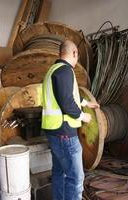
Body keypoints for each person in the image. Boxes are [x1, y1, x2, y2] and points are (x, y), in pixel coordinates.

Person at [41, 40, 100, 200]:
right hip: (64, 133)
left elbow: (68, 93)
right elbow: (67, 102)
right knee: (76, 178)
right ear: (74, 53)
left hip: (54, 132)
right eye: (77, 56)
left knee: (59, 173)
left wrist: (86, 103)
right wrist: (83, 116)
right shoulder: (66, 71)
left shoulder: (53, 70)